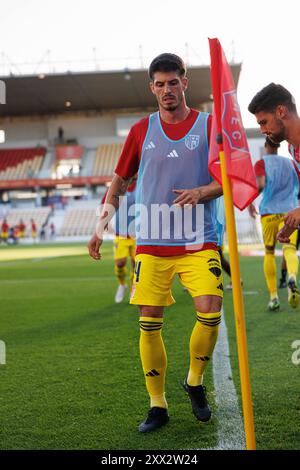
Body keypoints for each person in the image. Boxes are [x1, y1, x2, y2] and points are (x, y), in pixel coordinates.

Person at [88, 53, 223, 433]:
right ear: (152, 88)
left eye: (173, 82)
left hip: (199, 239)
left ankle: (194, 381)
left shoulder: (209, 126)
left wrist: (202, 191)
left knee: (211, 309)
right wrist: (100, 227)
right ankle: (158, 405)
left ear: (185, 83)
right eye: (160, 84)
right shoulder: (140, 131)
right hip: (152, 241)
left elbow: (224, 180)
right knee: (149, 322)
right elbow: (119, 182)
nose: (167, 90)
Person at [248, 137, 299, 310]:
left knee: (269, 252)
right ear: (279, 146)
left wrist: (249, 202)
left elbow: (260, 185)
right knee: (290, 249)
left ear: (266, 146)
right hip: (290, 212)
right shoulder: (291, 163)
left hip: (269, 213)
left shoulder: (261, 163)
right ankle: (292, 276)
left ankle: (274, 297)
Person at [248, 83, 300, 243]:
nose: (263, 130)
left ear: (281, 111)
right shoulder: (292, 148)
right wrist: (293, 221)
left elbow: (260, 185)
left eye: (264, 122)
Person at [101, 181, 137, 303]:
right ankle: (122, 284)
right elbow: (105, 202)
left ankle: (134, 288)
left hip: (137, 235)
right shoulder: (118, 186)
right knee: (120, 263)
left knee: (135, 264)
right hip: (120, 235)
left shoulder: (143, 185)